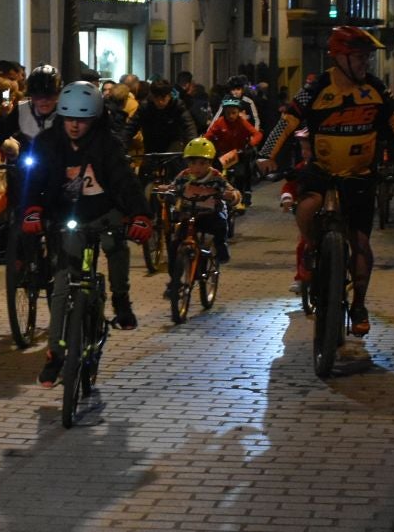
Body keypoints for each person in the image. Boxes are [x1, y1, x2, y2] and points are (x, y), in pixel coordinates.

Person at [258, 25, 394, 337]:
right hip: (322, 170)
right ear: (340, 58)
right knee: (306, 208)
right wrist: (267, 153)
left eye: (367, 58)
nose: (365, 63)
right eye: (359, 57)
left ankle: (359, 304)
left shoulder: (374, 87)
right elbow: (287, 120)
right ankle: (313, 248)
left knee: (360, 243)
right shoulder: (316, 88)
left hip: (360, 176)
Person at [23, 80, 152, 378]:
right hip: (67, 216)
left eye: (82, 120)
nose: (75, 126)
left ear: (94, 119)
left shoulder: (108, 144)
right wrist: (32, 210)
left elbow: (124, 181)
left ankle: (121, 299)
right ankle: (55, 352)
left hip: (102, 212)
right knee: (62, 281)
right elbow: (34, 180)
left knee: (114, 244)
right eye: (69, 118)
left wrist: (140, 215)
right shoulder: (46, 143)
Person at [163, 136, 240, 300]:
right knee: (174, 245)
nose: (197, 168)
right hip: (189, 213)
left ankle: (221, 248)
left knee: (220, 226)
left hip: (209, 214)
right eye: (192, 163)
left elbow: (232, 192)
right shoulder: (184, 176)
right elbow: (173, 187)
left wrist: (231, 196)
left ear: (210, 163)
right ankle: (174, 281)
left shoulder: (216, 177)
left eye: (202, 163)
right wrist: (166, 190)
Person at [125, 78, 199, 155]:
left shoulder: (177, 106)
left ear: (169, 96)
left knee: (175, 162)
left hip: (173, 145)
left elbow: (189, 127)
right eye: (156, 98)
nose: (160, 102)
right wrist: (121, 147)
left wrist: (193, 146)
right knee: (148, 165)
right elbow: (130, 128)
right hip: (151, 145)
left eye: (163, 98)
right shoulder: (145, 107)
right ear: (152, 97)